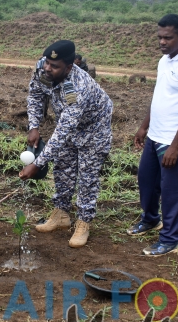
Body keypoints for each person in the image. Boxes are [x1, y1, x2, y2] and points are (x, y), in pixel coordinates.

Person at [128, 14, 178, 256]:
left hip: (175, 140)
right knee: (146, 180)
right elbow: (159, 96)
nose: (162, 42)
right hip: (156, 134)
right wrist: (144, 126)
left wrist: (175, 145)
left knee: (172, 191)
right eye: (160, 37)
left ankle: (171, 240)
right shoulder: (165, 60)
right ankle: (151, 219)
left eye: (168, 38)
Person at [20, 40, 113, 248]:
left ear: (69, 67)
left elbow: (63, 131)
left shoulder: (78, 87)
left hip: (94, 127)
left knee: (87, 176)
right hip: (67, 120)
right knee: (63, 168)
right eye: (47, 62)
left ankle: (84, 222)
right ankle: (61, 214)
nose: (48, 68)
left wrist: (37, 164)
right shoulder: (42, 69)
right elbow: (35, 95)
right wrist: (34, 126)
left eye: (54, 66)